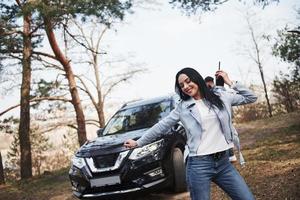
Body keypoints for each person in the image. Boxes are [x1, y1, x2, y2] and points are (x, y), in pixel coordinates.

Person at [124, 67, 257, 200]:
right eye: (182, 85)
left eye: (188, 81)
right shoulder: (183, 108)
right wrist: (138, 142)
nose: (186, 87)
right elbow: (161, 126)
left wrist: (229, 81)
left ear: (196, 78)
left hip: (223, 164)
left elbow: (251, 97)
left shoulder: (220, 97)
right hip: (199, 166)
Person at [204, 76, 239, 164]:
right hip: (217, 117)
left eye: (210, 83)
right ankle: (226, 155)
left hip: (225, 116)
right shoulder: (208, 92)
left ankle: (230, 154)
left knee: (227, 133)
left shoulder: (219, 91)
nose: (209, 85)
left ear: (212, 82)